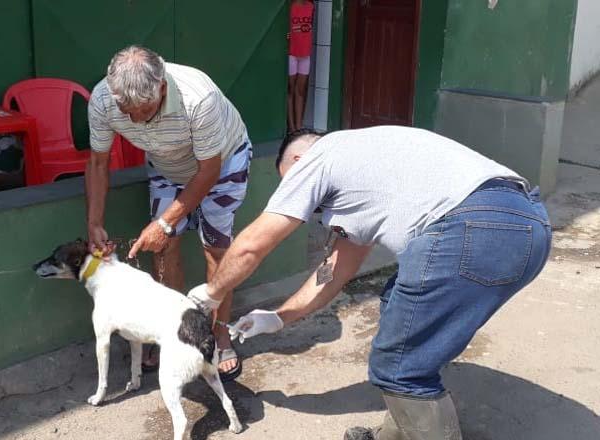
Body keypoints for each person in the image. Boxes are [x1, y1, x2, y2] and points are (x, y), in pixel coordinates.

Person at [188, 126, 552, 439]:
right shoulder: (367, 164)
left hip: (468, 228)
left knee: (399, 368)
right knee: (399, 312)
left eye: (290, 183)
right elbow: (335, 270)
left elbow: (251, 246)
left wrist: (210, 294)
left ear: (298, 163)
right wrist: (279, 318)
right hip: (530, 228)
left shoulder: (319, 158)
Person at [86, 45, 251, 381]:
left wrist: (164, 222)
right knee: (163, 247)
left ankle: (219, 335)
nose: (134, 120)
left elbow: (208, 171)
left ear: (161, 88)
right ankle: (173, 332)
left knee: (217, 250)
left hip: (222, 164)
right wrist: (94, 222)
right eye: (126, 112)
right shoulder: (103, 99)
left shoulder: (198, 98)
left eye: (144, 111)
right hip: (166, 165)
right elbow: (98, 163)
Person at [287, 0, 315, 132]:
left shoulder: (310, 7)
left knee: (300, 91)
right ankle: (292, 128)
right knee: (290, 90)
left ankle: (299, 126)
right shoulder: (290, 7)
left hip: (305, 54)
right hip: (292, 54)